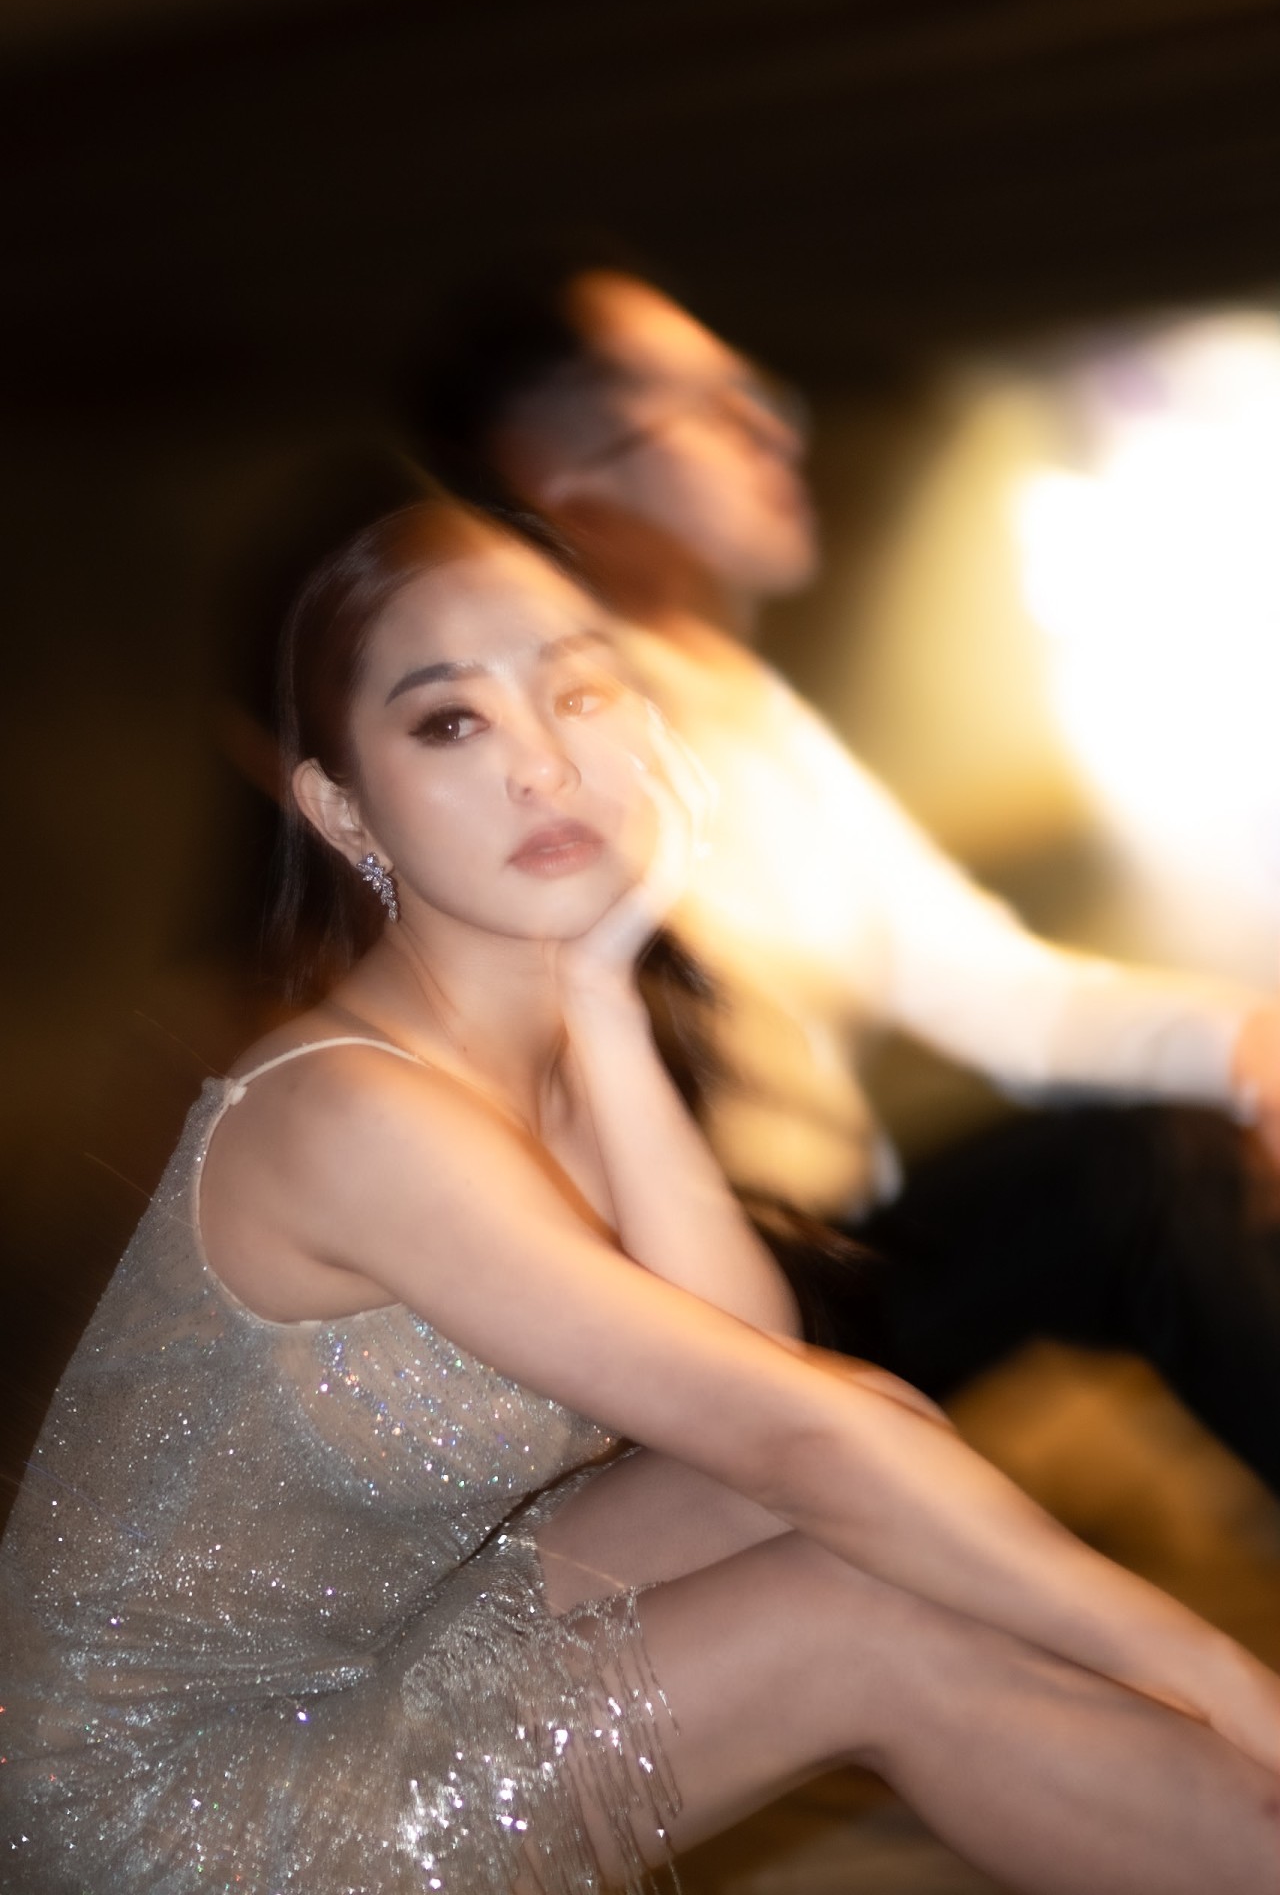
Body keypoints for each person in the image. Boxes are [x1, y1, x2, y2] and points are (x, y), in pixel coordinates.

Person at [2, 496, 1278, 1894]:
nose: (544, 764)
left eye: (578, 691)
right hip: (165, 1799)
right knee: (848, 1619)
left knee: (874, 1453)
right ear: (340, 808)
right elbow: (787, 1437)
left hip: (385, 1639)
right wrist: (1207, 1669)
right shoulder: (348, 1113)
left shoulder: (554, 1056)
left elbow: (762, 1390)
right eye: (452, 722)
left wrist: (609, 979)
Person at [407, 258, 1280, 1492]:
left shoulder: (734, 705)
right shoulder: (536, 754)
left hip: (829, 1264)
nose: (772, 430)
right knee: (1131, 1169)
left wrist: (1242, 1043)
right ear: (560, 474)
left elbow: (998, 995)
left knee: (1157, 1157)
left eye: (754, 393)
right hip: (694, 1322)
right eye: (706, 408)